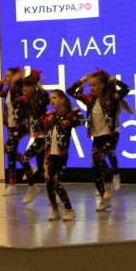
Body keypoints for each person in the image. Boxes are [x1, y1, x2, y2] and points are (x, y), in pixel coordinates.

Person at [67, 70, 131, 211]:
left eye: (94, 85)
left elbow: (126, 89)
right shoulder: (88, 99)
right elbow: (70, 91)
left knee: (99, 158)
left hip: (110, 135)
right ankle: (104, 200)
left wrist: (116, 81)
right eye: (90, 85)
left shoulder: (110, 98)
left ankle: (111, 180)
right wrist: (83, 79)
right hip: (97, 136)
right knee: (95, 168)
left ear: (102, 85)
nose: (91, 88)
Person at [41, 90, 85, 221]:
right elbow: (37, 127)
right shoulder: (50, 116)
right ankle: (55, 210)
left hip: (61, 155)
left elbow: (81, 121)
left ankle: (69, 210)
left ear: (62, 99)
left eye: (54, 98)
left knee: (57, 184)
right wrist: (44, 116)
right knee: (48, 184)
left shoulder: (68, 115)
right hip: (49, 155)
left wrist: (76, 111)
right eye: (50, 99)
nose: (52, 101)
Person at [18, 70, 50, 204]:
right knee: (44, 170)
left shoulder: (39, 97)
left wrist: (41, 87)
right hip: (37, 136)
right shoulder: (26, 100)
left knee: (25, 158)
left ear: (35, 86)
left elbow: (47, 100)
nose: (24, 88)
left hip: (44, 136)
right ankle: (52, 195)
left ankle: (32, 187)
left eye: (28, 85)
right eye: (23, 85)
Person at [0, 67, 25, 196]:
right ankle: (12, 185)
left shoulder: (18, 90)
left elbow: (21, 93)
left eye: (8, 76)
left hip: (21, 125)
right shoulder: (7, 91)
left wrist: (16, 80)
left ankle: (26, 163)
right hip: (11, 127)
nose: (5, 78)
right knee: (10, 154)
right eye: (4, 75)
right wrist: (1, 83)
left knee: (7, 148)